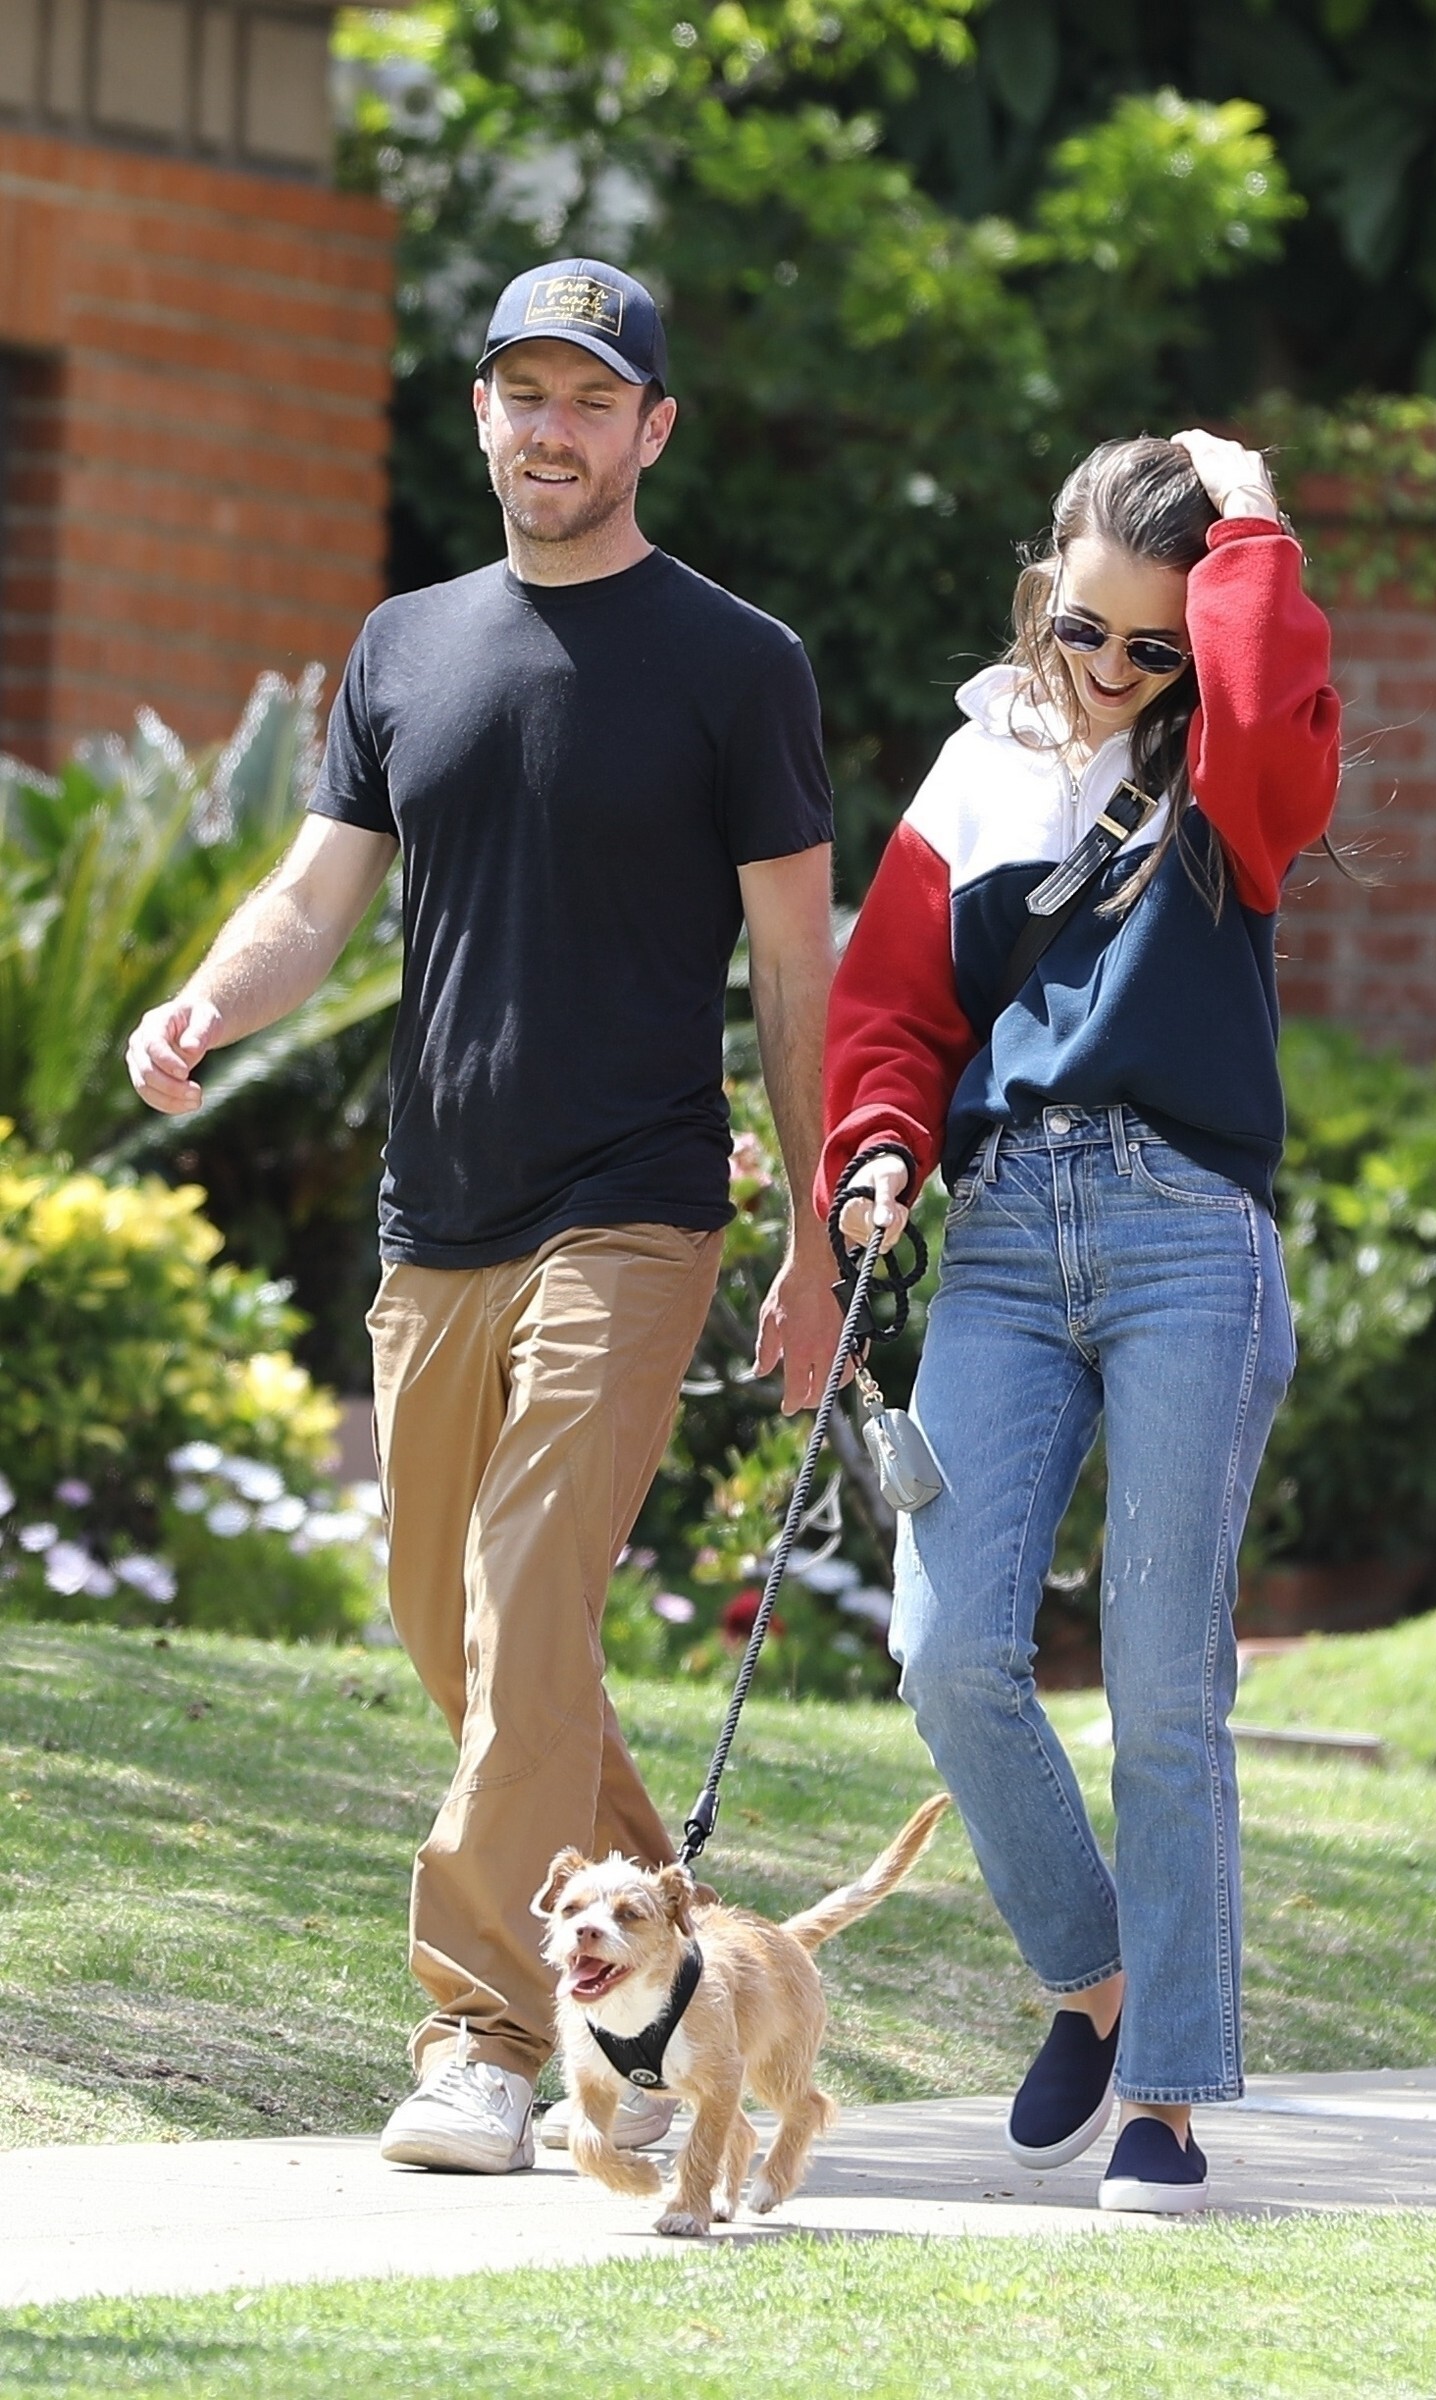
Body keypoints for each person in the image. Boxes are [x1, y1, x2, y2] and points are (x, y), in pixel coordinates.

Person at [126, 256, 841, 2173]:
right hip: (436, 1212)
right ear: (481, 415)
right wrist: (206, 1002)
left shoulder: (738, 665)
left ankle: (479, 2040)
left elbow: (796, 965)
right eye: (526, 393)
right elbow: (311, 895)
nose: (554, 429)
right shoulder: (405, 646)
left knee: (529, 1602)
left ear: (652, 429)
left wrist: (811, 1240)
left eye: (593, 399)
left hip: (635, 1205)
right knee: (462, 1636)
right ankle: (679, 1968)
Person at [819, 430, 1340, 2213]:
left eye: (1153, 647)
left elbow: (1271, 731)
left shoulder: (1232, 766)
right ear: (1043, 586)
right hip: (1001, 1236)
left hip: (1192, 1230)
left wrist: (1251, 525)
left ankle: (1167, 2099)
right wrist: (875, 1152)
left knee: (1167, 1685)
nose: (1113, 670)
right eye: (1084, 630)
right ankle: (1102, 1984)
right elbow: (892, 1012)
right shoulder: (976, 768)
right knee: (947, 1649)